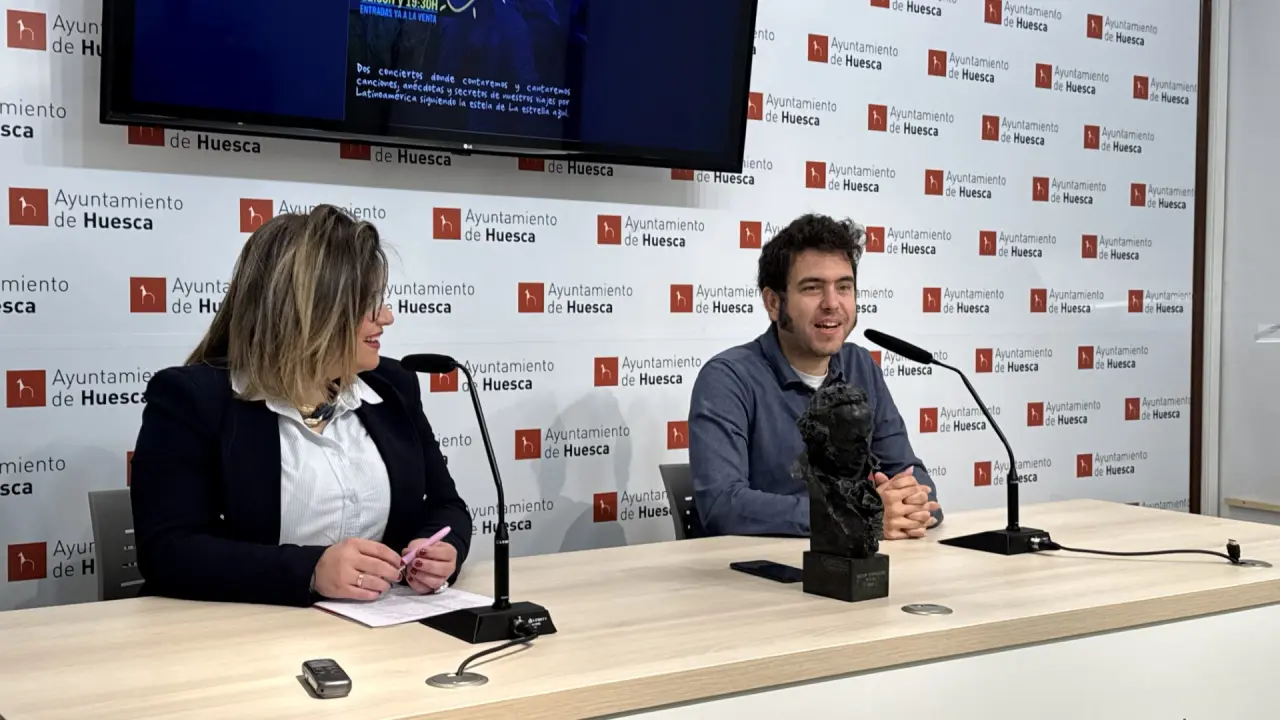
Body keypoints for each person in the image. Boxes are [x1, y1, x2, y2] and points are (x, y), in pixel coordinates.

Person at [130, 205, 472, 607]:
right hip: (241, 629)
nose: (386, 317)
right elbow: (168, 551)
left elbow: (446, 506)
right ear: (309, 311)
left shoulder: (394, 386)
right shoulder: (192, 398)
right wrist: (311, 571)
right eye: (366, 303)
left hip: (382, 625)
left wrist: (440, 552)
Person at [688, 213, 942, 539]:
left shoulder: (860, 366)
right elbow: (723, 506)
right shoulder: (728, 378)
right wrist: (852, 516)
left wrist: (912, 502)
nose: (832, 303)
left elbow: (909, 473)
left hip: (858, 561)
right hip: (763, 566)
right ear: (774, 303)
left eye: (844, 287)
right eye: (812, 288)